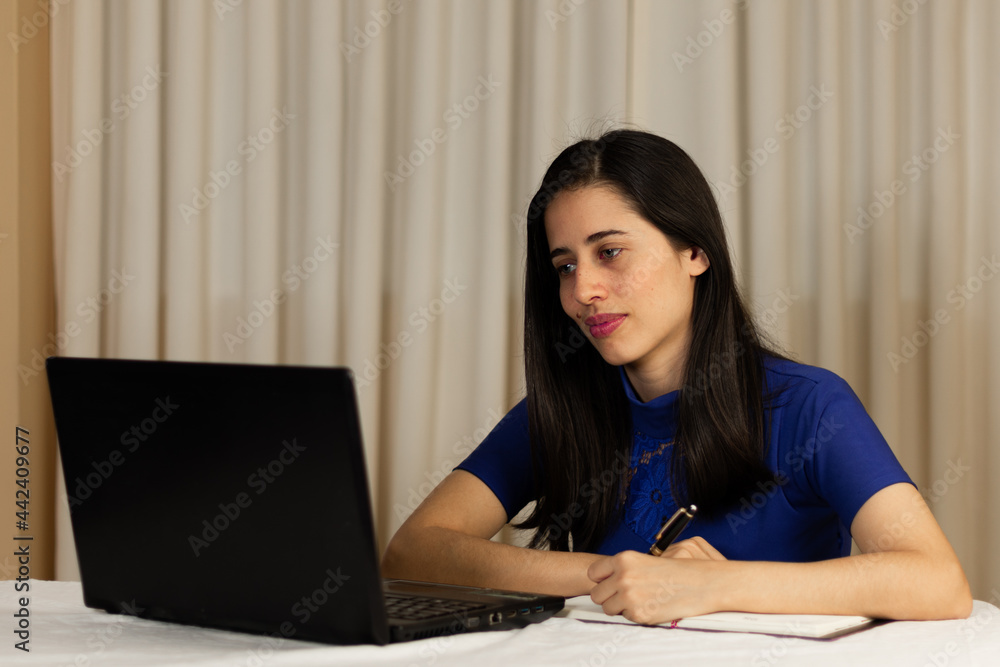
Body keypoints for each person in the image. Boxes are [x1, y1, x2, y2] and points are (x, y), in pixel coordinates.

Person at [381, 129, 972, 624]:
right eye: (565, 266)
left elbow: (938, 581)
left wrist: (715, 586)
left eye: (609, 252)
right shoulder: (558, 413)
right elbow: (412, 552)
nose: (583, 290)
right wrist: (615, 575)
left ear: (695, 252)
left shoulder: (809, 406)